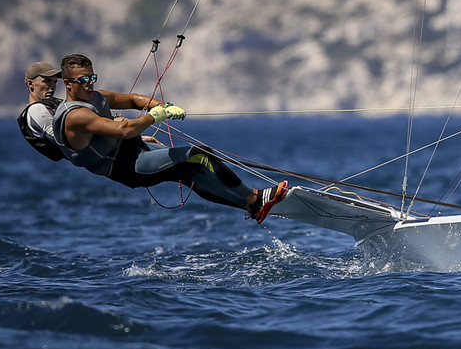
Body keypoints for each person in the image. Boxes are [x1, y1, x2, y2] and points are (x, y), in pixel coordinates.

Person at [51, 53, 287, 222]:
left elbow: (134, 99)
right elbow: (125, 131)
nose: (90, 85)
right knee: (198, 156)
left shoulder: (96, 97)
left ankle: (252, 207)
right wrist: (155, 117)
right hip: (125, 166)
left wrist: (163, 106)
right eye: (83, 80)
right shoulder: (75, 116)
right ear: (68, 84)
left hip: (134, 151)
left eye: (92, 78)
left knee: (195, 168)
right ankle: (256, 198)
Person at [17, 61, 66, 161]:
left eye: (55, 81)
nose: (52, 86)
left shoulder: (50, 104)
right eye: (47, 81)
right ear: (31, 84)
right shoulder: (36, 110)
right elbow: (64, 140)